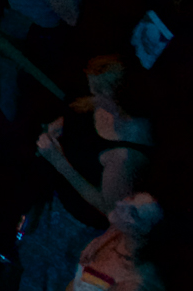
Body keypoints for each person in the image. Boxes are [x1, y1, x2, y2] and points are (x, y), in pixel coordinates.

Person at [17, 56, 155, 291]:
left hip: (74, 225)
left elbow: (108, 208)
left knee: (49, 280)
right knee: (32, 265)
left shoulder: (125, 152)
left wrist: (58, 161)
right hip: (57, 205)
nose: (93, 94)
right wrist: (61, 124)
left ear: (116, 94)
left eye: (99, 90)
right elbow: (85, 111)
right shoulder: (106, 104)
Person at [64, 194, 164, 291]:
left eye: (132, 211)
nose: (123, 202)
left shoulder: (135, 281)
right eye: (131, 198)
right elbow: (76, 280)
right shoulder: (110, 238)